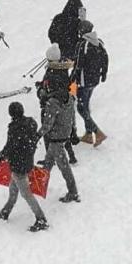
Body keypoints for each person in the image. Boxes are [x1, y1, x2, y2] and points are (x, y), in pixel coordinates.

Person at [0, 101, 48, 232]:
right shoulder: (31, 123)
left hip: (18, 165)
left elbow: (9, 148)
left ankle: (41, 219)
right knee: (13, 190)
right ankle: (5, 212)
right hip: (26, 162)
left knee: (26, 194)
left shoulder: (14, 129)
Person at [38, 43, 80, 204]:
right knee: (50, 159)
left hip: (57, 134)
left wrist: (37, 134)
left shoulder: (53, 101)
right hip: (64, 127)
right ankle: (40, 183)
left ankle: (73, 191)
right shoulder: (67, 97)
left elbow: (48, 124)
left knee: (63, 165)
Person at [72, 24, 109, 147]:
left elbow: (78, 64)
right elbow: (105, 58)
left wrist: (72, 79)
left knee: (81, 108)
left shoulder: (83, 45)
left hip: (84, 81)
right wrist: (103, 73)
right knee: (85, 105)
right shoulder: (98, 42)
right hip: (94, 80)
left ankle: (97, 132)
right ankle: (88, 133)